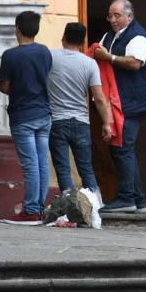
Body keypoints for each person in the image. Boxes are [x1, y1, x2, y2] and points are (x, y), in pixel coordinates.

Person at [92, 0, 146, 213]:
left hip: (135, 101)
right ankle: (138, 200)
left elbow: (135, 63)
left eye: (118, 15)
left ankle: (127, 198)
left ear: (129, 16)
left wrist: (110, 57)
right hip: (119, 101)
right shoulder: (109, 36)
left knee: (123, 148)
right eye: (110, 15)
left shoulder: (139, 36)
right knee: (121, 149)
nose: (113, 20)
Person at [0, 11, 52, 225]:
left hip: (23, 116)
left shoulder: (11, 56)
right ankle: (38, 208)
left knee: (30, 164)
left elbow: (6, 87)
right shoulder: (45, 52)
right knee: (41, 163)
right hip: (44, 113)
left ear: (17, 28)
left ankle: (29, 211)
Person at [48, 22, 113, 193]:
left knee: (63, 170)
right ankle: (94, 208)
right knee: (86, 169)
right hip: (81, 123)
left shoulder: (50, 57)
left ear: (63, 38)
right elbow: (98, 97)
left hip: (57, 121)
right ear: (83, 42)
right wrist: (107, 123)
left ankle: (69, 210)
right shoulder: (90, 64)